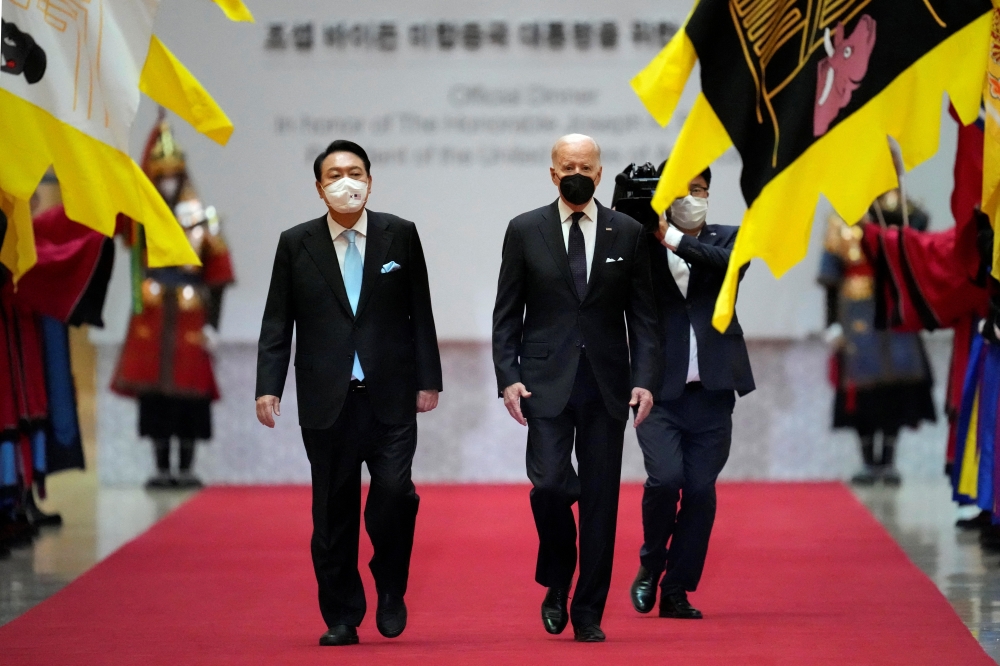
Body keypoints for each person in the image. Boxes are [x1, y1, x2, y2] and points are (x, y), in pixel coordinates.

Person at [255, 140, 442, 647]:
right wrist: (268, 387)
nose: (346, 181)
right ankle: (341, 615)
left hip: (391, 397)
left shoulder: (399, 235)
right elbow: (278, 322)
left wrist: (430, 379)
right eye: (334, 174)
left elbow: (419, 310)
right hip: (327, 400)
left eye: (355, 171)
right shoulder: (296, 244)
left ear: (370, 179)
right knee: (333, 513)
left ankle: (390, 583)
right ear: (319, 188)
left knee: (396, 496)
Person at [492, 134, 660, 642]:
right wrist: (508, 375)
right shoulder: (524, 230)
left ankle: (588, 612)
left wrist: (645, 381)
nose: (577, 173)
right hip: (544, 383)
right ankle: (558, 576)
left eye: (585, 166)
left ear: (600, 172)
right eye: (568, 165)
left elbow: (644, 319)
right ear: (551, 171)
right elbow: (507, 313)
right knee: (548, 486)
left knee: (601, 503)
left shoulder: (627, 232)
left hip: (608, 386)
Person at [627, 165, 755, 621]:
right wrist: (642, 220)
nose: (692, 198)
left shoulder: (731, 237)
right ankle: (650, 564)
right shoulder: (642, 243)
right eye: (683, 191)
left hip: (714, 392)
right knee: (665, 480)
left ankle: (677, 589)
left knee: (700, 491)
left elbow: (725, 267)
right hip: (659, 391)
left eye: (699, 190)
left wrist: (673, 237)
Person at [110, 118, 235, 489]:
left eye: (172, 174)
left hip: (189, 318)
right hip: (151, 317)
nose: (166, 181)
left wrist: (214, 326)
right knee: (154, 396)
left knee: (190, 395)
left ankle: (186, 466)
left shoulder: (201, 220)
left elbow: (219, 277)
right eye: (159, 174)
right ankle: (161, 467)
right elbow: (115, 223)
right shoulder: (141, 219)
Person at [817, 191, 936, 486]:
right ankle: (869, 461)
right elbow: (831, 279)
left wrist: (895, 207)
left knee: (898, 388)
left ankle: (889, 462)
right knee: (862, 392)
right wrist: (831, 324)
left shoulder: (901, 212)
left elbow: (920, 230)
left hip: (895, 306)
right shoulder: (840, 218)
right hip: (855, 312)